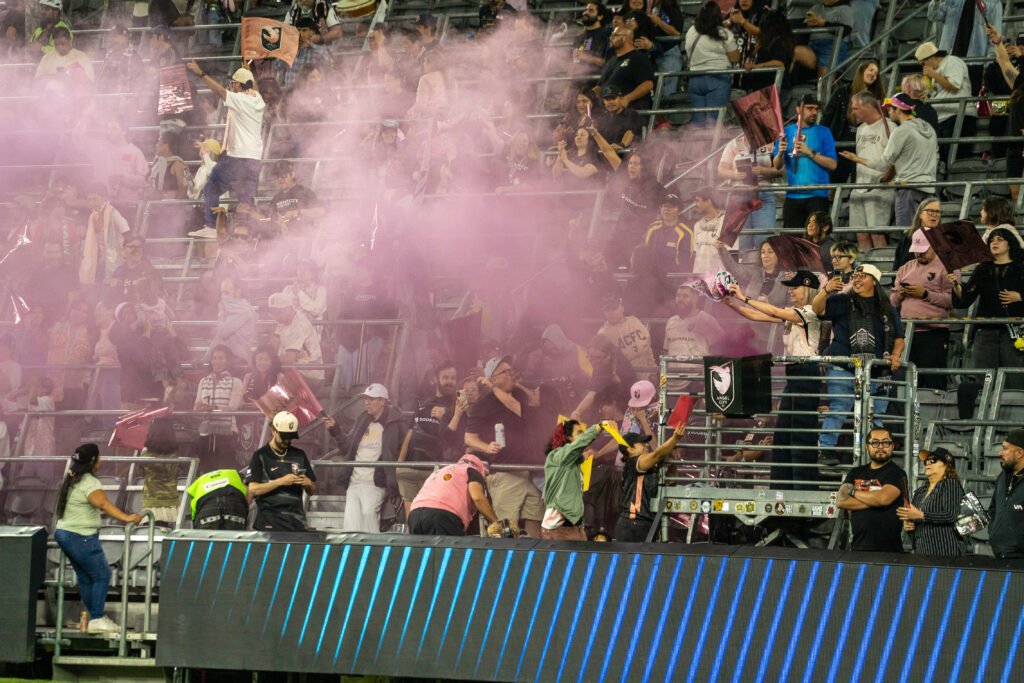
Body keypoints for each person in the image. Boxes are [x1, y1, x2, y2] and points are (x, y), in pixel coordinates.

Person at [723, 271, 823, 488]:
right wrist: (730, 303)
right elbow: (757, 316)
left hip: (806, 371)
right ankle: (782, 487)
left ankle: (803, 489)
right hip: (795, 373)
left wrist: (742, 297)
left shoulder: (809, 311)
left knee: (801, 433)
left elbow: (773, 310)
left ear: (807, 289)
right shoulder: (793, 313)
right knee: (783, 432)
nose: (790, 290)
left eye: (795, 287)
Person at [812, 264, 905, 461]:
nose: (858, 279)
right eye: (856, 275)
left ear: (875, 281)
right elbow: (817, 309)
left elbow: (899, 337)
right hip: (843, 367)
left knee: (875, 415)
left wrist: (895, 355)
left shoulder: (887, 308)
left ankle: (871, 453)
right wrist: (826, 290)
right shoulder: (841, 301)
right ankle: (826, 449)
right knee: (839, 407)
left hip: (877, 370)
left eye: (863, 276)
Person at [54, 444, 142, 633]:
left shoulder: (72, 477)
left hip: (65, 533)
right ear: (93, 460)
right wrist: (127, 517)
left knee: (86, 578)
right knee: (102, 574)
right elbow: (101, 503)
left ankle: (89, 618)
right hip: (80, 535)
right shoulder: (88, 482)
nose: (101, 461)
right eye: (99, 458)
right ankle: (97, 618)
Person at [465, 356, 544, 537]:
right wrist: (486, 447)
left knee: (535, 523)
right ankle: (503, 564)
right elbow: (469, 438)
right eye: (505, 372)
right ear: (492, 378)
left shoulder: (520, 397)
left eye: (512, 371)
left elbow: (535, 402)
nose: (511, 376)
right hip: (505, 473)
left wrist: (517, 384)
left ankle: (531, 562)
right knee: (506, 528)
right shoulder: (483, 406)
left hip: (532, 472)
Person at [186, 62, 266, 238]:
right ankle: (249, 235)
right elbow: (254, 87)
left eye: (234, 83)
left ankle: (213, 226)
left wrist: (201, 73)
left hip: (238, 157)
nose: (231, 86)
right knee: (245, 201)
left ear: (238, 85)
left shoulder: (240, 99)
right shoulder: (258, 100)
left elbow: (220, 92)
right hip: (254, 160)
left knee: (212, 187)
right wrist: (249, 71)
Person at [839, 93, 938, 228]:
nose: (889, 112)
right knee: (926, 233)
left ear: (898, 109)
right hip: (929, 188)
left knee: (907, 235)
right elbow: (936, 156)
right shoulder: (929, 128)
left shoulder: (901, 131)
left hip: (907, 188)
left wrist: (856, 158)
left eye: (891, 109)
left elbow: (883, 164)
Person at [950, 224, 1024, 389]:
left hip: (1015, 332)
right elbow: (965, 299)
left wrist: (1020, 297)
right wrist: (956, 287)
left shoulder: (1021, 267)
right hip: (986, 331)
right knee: (984, 379)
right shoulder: (983, 269)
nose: (994, 243)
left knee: (1015, 380)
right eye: (991, 240)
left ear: (1010, 244)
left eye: (999, 239)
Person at [396, 362, 470, 516]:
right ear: (436, 379)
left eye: (453, 377)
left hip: (437, 470)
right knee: (412, 521)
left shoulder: (459, 407)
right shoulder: (424, 404)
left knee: (432, 517)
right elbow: (410, 433)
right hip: (410, 468)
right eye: (445, 377)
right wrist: (399, 465)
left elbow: (461, 439)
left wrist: (447, 416)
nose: (449, 381)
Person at [890, 229, 959, 389]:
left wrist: (925, 294)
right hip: (906, 332)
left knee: (932, 379)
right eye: (916, 251)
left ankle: (936, 413)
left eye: (923, 251)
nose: (919, 254)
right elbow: (892, 303)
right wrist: (899, 294)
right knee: (906, 381)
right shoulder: (905, 268)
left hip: (933, 332)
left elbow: (952, 300)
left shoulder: (947, 267)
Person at [334, 384, 406, 533]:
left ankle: (373, 554)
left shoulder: (396, 423)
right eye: (365, 399)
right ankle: (351, 554)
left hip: (375, 482)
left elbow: (404, 450)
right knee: (351, 526)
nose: (366, 402)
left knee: (369, 515)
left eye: (371, 399)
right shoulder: (362, 419)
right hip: (354, 481)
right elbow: (348, 447)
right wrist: (335, 430)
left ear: (382, 401)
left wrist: (394, 478)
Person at [835, 428, 907, 552]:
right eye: (875, 442)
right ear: (866, 446)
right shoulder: (855, 472)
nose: (880, 447)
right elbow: (841, 501)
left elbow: (882, 499)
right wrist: (875, 501)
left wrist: (853, 492)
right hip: (858, 548)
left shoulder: (897, 474)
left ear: (892, 446)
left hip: (889, 550)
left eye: (885, 443)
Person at [773, 94, 838, 229]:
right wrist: (780, 153)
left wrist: (810, 153)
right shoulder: (786, 132)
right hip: (793, 195)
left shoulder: (824, 132)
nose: (814, 112)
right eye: (809, 108)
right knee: (792, 241)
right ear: (798, 109)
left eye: (816, 109)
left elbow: (833, 164)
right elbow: (777, 166)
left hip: (818, 195)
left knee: (817, 238)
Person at [614, 424, 687, 541]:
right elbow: (657, 455)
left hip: (644, 523)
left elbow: (668, 482)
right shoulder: (633, 463)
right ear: (630, 449)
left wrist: (672, 460)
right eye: (641, 444)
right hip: (633, 523)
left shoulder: (649, 469)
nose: (646, 445)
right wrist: (675, 439)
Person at [247, 411, 316, 532]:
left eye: (290, 437)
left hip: (296, 524)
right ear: (274, 430)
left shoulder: (299, 455)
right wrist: (280, 482)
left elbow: (312, 491)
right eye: (284, 437)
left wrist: (308, 483)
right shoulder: (260, 455)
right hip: (269, 524)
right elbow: (253, 489)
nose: (287, 441)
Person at [717, 132, 784, 251]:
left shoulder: (769, 143)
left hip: (764, 195)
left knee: (764, 240)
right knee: (742, 241)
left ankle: (763, 268)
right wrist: (734, 175)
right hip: (739, 196)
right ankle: (744, 267)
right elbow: (721, 170)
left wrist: (763, 170)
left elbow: (780, 170)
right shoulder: (734, 144)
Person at [540, 420, 603, 540]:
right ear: (568, 437)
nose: (582, 435)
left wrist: (582, 458)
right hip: (557, 528)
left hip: (574, 526)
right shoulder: (557, 455)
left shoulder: (570, 461)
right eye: (579, 432)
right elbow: (577, 445)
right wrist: (597, 428)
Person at [408, 454, 500, 535]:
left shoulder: (441, 470)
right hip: (442, 516)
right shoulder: (472, 470)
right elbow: (477, 497)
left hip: (414, 515)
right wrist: (496, 522)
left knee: (421, 554)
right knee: (449, 554)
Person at [897, 447, 966, 556]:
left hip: (945, 551)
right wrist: (910, 526)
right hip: (922, 551)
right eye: (926, 461)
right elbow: (915, 521)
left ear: (947, 465)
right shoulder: (920, 491)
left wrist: (921, 515)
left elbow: (951, 515)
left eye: (933, 460)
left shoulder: (950, 484)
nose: (928, 463)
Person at [846, 92, 894, 248]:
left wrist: (887, 177)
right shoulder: (860, 129)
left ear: (868, 106)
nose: (853, 112)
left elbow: (896, 158)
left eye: (856, 108)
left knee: (877, 234)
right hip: (859, 187)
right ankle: (865, 270)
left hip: (879, 187)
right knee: (861, 235)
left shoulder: (889, 126)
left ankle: (882, 269)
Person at [914, 41, 976, 161]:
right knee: (943, 160)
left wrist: (934, 75)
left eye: (923, 63)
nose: (924, 66)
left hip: (958, 115)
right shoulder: (936, 71)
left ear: (932, 57)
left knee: (956, 159)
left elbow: (954, 86)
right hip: (942, 118)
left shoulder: (952, 61)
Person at [684, 2, 740, 124]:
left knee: (699, 124)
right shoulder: (723, 33)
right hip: (717, 79)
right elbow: (735, 58)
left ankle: (697, 144)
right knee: (714, 123)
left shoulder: (690, 31)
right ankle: (714, 144)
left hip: (695, 79)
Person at [194, 345, 244, 470]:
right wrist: (200, 409)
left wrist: (213, 408)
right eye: (214, 358)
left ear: (228, 361)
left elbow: (233, 407)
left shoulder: (236, 382)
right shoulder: (203, 381)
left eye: (221, 358)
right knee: (205, 470)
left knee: (225, 470)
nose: (217, 361)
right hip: (205, 432)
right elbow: (196, 407)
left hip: (227, 433)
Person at [268, 291, 323, 382]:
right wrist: (265, 357)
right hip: (294, 372)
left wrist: (266, 359)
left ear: (289, 309)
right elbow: (273, 347)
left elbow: (289, 359)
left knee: (273, 392)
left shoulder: (298, 324)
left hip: (309, 376)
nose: (275, 316)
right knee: (263, 377)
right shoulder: (282, 321)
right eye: (273, 312)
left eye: (278, 312)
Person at [597, 25, 656, 109]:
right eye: (611, 35)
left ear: (626, 38)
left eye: (615, 35)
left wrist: (627, 99)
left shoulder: (638, 57)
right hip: (609, 111)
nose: (611, 38)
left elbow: (648, 85)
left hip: (629, 112)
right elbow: (600, 86)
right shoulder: (611, 60)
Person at [596, 296, 656, 376]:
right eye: (607, 309)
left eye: (613, 308)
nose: (610, 313)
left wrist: (653, 370)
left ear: (622, 308)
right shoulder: (603, 334)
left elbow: (648, 348)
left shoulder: (634, 320)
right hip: (625, 379)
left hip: (649, 375)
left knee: (663, 384)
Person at [988, 429, 1024, 560]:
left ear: (1019, 453)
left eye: (1005, 449)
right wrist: (994, 533)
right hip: (1000, 555)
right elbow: (993, 509)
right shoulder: (1002, 477)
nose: (1000, 453)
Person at [206, 278, 256, 368]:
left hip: (238, 359)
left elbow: (223, 332)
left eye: (226, 293)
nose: (223, 297)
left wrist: (221, 313)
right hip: (228, 357)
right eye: (222, 292)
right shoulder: (234, 310)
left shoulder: (243, 311)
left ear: (238, 292)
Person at [139, 417, 181, 526]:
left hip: (152, 500)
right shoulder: (175, 455)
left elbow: (141, 473)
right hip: (170, 500)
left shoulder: (146, 455)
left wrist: (144, 451)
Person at [927, 0, 1002, 59]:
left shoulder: (994, 2)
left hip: (976, 60)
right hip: (948, 58)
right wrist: (936, 1)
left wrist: (988, 63)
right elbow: (933, 16)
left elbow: (995, 36)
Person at [643, 192, 694, 273]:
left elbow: (685, 262)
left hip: (673, 278)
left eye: (671, 206)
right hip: (653, 276)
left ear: (680, 211)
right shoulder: (652, 228)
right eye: (664, 206)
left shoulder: (686, 232)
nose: (667, 209)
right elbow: (645, 252)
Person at [892, 196, 942, 270]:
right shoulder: (908, 237)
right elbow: (897, 265)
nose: (934, 215)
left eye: (937, 212)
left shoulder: (944, 238)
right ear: (920, 214)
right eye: (930, 211)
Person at [690, 186, 726, 274]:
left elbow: (734, 256)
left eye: (697, 200)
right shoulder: (697, 225)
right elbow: (696, 253)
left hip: (720, 279)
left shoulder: (727, 223)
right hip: (700, 279)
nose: (695, 204)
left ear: (708, 202)